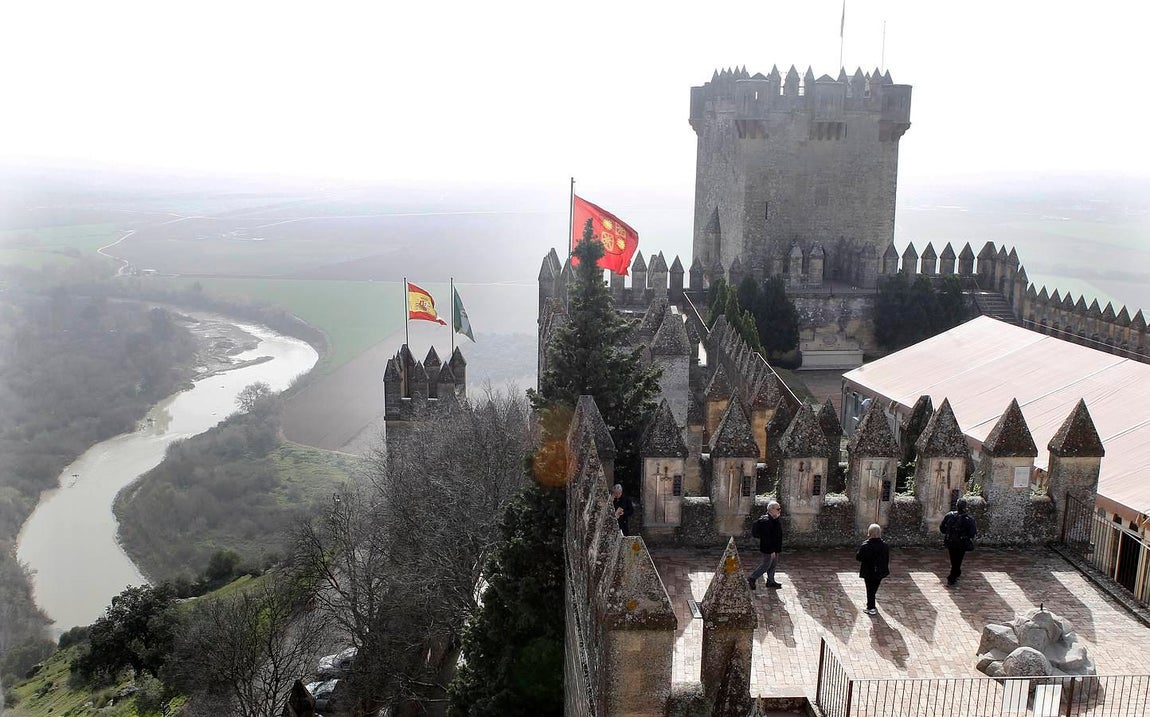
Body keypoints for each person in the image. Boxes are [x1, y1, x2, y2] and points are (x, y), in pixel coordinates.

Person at [940, 497, 977, 587]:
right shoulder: (969, 519)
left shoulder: (949, 515)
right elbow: (972, 533)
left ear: (957, 506)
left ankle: (955, 573)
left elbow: (942, 528)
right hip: (961, 543)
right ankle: (953, 576)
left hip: (951, 541)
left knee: (953, 558)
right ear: (965, 507)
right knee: (958, 559)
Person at [855, 523, 890, 615]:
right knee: (873, 588)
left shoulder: (865, 545)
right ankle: (871, 604)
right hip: (880, 571)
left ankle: (871, 608)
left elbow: (858, 557)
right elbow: (886, 558)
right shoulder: (884, 545)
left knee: (870, 589)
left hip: (869, 571)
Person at [748, 501, 784, 590]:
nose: (779, 510)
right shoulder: (766, 521)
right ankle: (752, 578)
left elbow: (776, 533)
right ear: (771, 509)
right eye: (778, 509)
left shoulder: (774, 519)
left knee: (773, 565)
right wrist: (771, 550)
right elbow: (766, 538)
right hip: (768, 548)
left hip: (775, 547)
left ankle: (770, 581)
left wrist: (775, 549)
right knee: (766, 565)